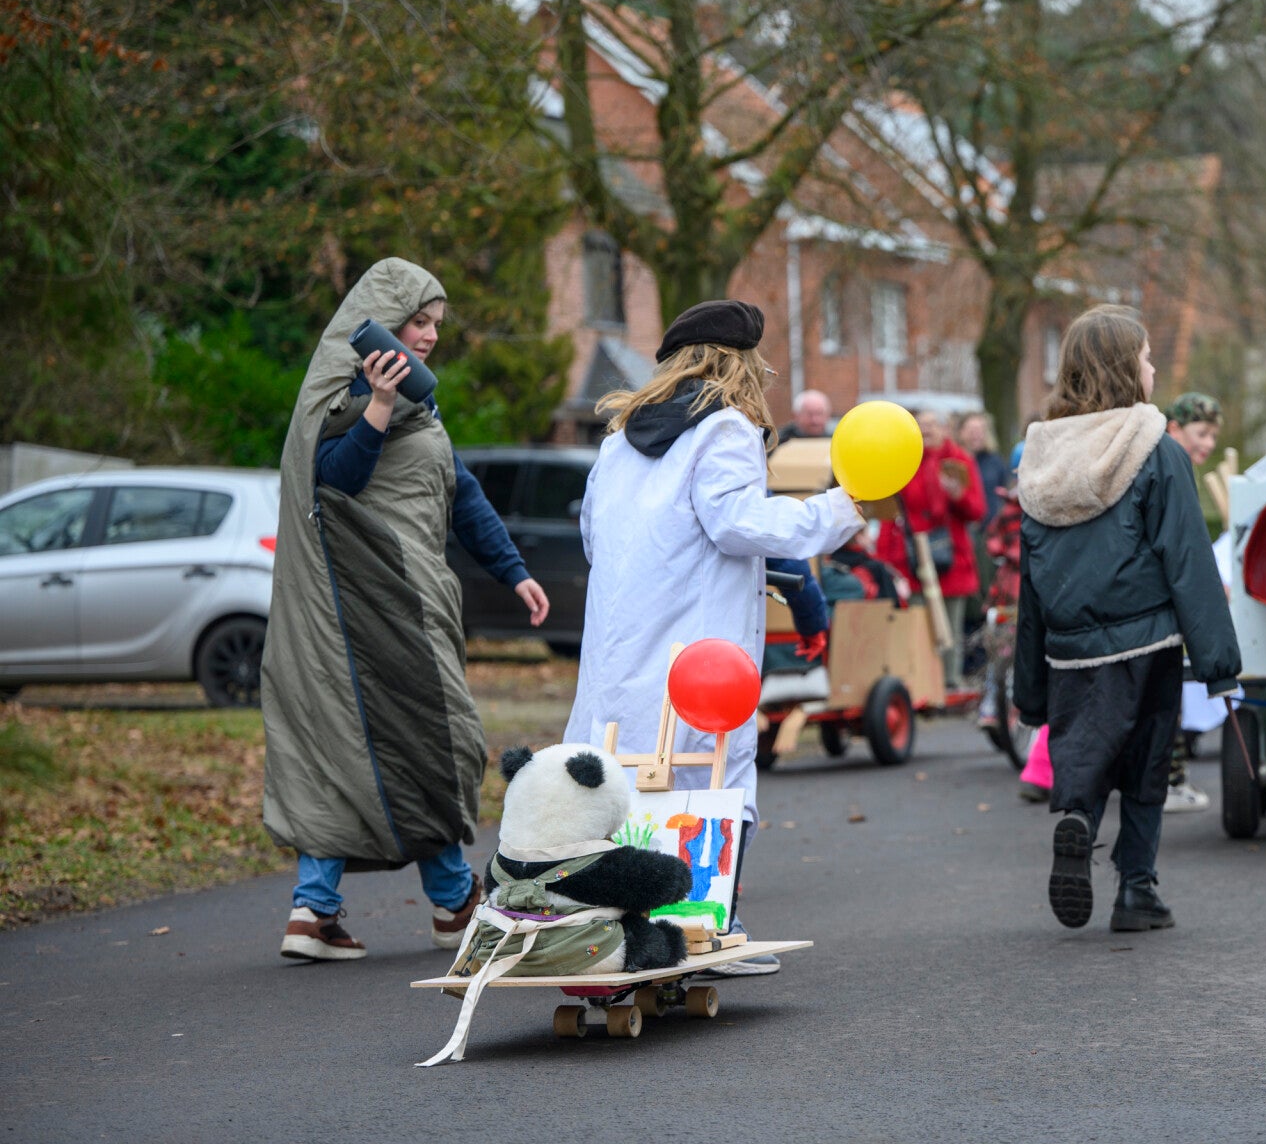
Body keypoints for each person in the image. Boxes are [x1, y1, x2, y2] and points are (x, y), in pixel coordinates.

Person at [262, 258, 551, 962]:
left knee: (364, 748)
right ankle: (455, 905)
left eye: (435, 325)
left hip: (412, 598)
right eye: (417, 321)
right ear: (379, 323)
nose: (427, 336)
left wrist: (514, 573)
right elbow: (332, 484)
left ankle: (315, 912)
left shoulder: (422, 405)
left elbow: (462, 493)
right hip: (368, 604)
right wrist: (378, 409)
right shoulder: (345, 396)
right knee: (430, 741)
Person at [564, 301, 865, 976]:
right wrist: (838, 509)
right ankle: (703, 927)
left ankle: (627, 929)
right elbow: (740, 524)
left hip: (619, 653)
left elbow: (594, 540)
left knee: (624, 785)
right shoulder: (723, 430)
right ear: (738, 366)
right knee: (713, 784)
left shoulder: (616, 441)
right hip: (696, 655)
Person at [1015, 306, 1241, 933]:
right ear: (1124, 367)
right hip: (1147, 638)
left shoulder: (1040, 457)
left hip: (1067, 645)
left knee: (1082, 751)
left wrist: (1027, 685)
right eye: (1144, 358)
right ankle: (1137, 889)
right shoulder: (1156, 451)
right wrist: (1220, 665)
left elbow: (1029, 580)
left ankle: (1079, 822)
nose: (1151, 368)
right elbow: (1187, 560)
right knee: (1147, 764)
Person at [875, 409, 986, 689]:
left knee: (949, 624)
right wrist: (883, 557)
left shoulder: (960, 461)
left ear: (946, 429)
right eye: (920, 425)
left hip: (951, 555)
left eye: (932, 425)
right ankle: (919, 683)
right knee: (914, 622)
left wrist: (956, 495)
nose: (926, 431)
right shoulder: (902, 461)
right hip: (912, 558)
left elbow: (977, 510)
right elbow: (890, 510)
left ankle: (949, 682)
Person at [1161, 391, 1226, 813]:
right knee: (1166, 691)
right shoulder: (1171, 468)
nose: (1208, 444)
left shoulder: (1174, 465)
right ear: (1174, 429)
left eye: (1214, 436)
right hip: (1164, 602)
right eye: (1201, 433)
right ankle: (1168, 783)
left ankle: (1170, 779)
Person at [956, 411, 1009, 525]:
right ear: (960, 432)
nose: (976, 435)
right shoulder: (954, 461)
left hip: (992, 529)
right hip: (965, 528)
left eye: (980, 431)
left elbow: (1003, 491)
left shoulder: (995, 461)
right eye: (971, 430)